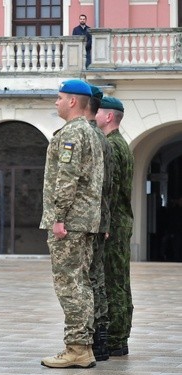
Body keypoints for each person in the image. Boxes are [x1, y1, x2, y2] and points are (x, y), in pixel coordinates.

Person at [39, 80, 103, 368]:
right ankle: (83, 346)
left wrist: (59, 217)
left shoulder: (73, 133)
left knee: (69, 285)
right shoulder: (90, 132)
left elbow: (67, 178)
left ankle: (76, 347)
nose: (56, 102)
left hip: (71, 221)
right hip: (85, 219)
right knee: (82, 284)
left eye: (60, 98)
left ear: (73, 102)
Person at [95, 96, 134, 357]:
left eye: (98, 112)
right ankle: (119, 335)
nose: (94, 115)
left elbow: (110, 188)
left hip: (114, 223)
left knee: (113, 280)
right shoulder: (121, 144)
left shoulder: (112, 145)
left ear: (109, 117)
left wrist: (104, 223)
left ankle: (116, 338)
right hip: (120, 221)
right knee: (119, 278)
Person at [86, 85, 113, 361]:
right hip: (98, 219)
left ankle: (90, 339)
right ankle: (101, 338)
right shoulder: (104, 139)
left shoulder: (89, 137)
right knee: (97, 280)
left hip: (87, 221)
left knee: (86, 281)